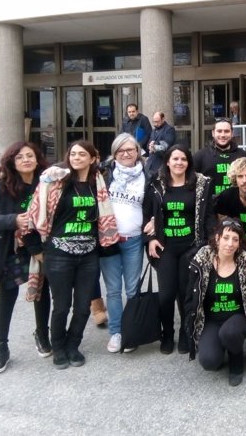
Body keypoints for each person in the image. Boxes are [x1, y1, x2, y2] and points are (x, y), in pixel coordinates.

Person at [28, 140, 119, 369]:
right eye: (73, 154)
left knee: (81, 306)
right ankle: (58, 347)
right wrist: (37, 250)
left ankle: (73, 345)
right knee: (61, 305)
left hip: (88, 255)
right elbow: (34, 213)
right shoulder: (56, 181)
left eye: (82, 154)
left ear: (92, 158)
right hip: (59, 254)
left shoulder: (96, 184)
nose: (76, 158)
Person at [0, 142, 51, 374]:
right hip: (10, 249)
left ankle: (42, 333)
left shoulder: (46, 184)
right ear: (12, 161)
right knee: (7, 296)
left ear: (38, 160)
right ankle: (0, 346)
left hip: (38, 247)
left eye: (30, 155)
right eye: (20, 157)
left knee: (41, 293)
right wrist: (13, 220)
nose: (26, 160)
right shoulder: (1, 186)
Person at [143, 145, 216, 354]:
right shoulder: (156, 185)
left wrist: (207, 243)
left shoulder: (201, 185)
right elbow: (146, 215)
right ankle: (167, 333)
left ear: (188, 162)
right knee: (166, 295)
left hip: (190, 247)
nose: (179, 163)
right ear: (167, 161)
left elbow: (209, 216)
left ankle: (186, 332)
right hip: (165, 248)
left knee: (186, 294)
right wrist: (150, 238)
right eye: (175, 159)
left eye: (183, 159)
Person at [185, 219, 246, 386]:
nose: (230, 244)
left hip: (238, 318)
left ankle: (236, 360)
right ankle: (222, 345)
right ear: (217, 238)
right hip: (212, 320)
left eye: (235, 239)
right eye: (226, 237)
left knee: (229, 333)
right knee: (209, 362)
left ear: (240, 243)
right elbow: (190, 297)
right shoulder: (202, 263)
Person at [99, 134, 148, 353]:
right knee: (112, 290)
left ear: (138, 151)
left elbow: (155, 203)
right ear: (114, 153)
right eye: (121, 151)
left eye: (130, 150)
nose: (126, 154)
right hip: (108, 240)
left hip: (134, 239)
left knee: (132, 288)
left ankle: (131, 330)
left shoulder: (147, 174)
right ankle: (116, 332)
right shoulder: (104, 173)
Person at [193, 118, 246, 196]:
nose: (222, 135)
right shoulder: (200, 156)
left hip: (236, 204)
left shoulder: (243, 156)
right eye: (219, 131)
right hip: (210, 205)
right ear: (213, 133)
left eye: (226, 131)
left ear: (232, 133)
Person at [146, 111, 176, 175]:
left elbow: (166, 145)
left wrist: (154, 147)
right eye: (154, 122)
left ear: (163, 119)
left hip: (161, 163)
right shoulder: (154, 130)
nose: (155, 124)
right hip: (150, 164)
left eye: (157, 121)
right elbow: (149, 143)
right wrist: (150, 146)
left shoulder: (169, 130)